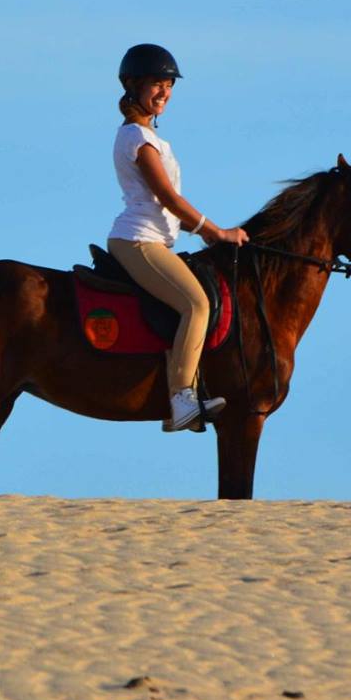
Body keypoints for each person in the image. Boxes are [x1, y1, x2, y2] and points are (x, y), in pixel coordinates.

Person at [106, 43, 249, 432]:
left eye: (169, 85)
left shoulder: (150, 137)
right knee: (196, 304)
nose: (164, 92)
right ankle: (182, 398)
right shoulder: (137, 138)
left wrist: (202, 234)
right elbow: (168, 197)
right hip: (139, 240)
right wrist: (215, 231)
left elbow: (166, 207)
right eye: (157, 83)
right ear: (133, 85)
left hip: (155, 238)